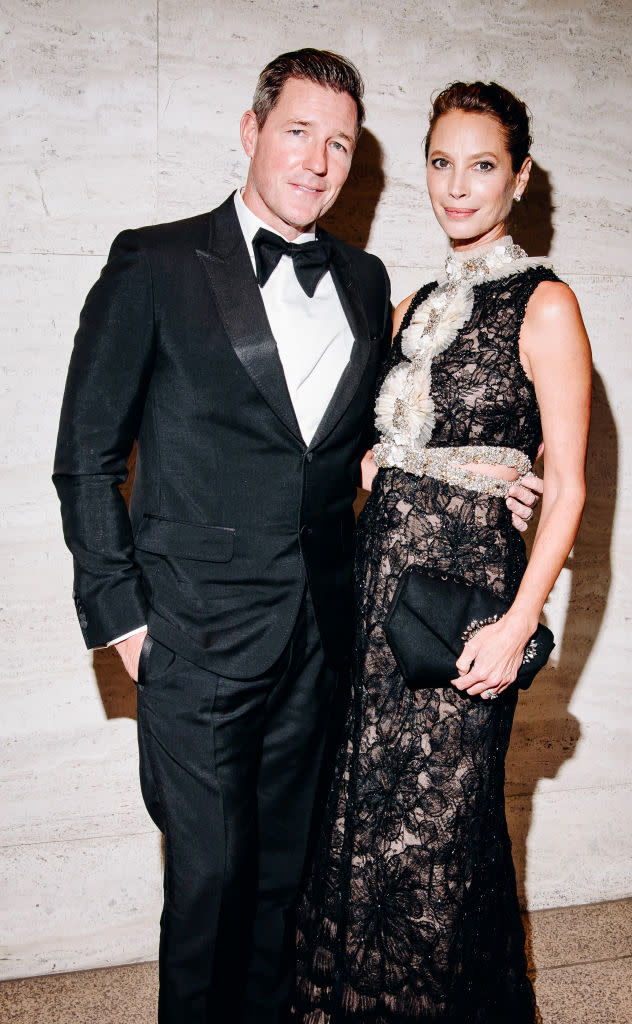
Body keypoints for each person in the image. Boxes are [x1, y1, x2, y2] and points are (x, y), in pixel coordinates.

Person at [53, 51, 541, 1024]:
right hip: (191, 644)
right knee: (207, 895)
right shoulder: (152, 262)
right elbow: (84, 458)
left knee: (286, 893)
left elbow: (374, 438)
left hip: (321, 643)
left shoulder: (366, 282)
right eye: (298, 132)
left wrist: (485, 471)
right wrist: (128, 628)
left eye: (341, 144)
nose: (318, 160)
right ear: (251, 130)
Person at [292, 81, 591, 1023]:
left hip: (463, 610)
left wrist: (517, 625)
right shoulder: (412, 302)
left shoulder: (546, 305)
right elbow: (371, 437)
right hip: (375, 594)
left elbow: (570, 484)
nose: (457, 187)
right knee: (359, 833)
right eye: (440, 163)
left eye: (483, 165)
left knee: (439, 848)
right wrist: (380, 460)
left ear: (520, 177)